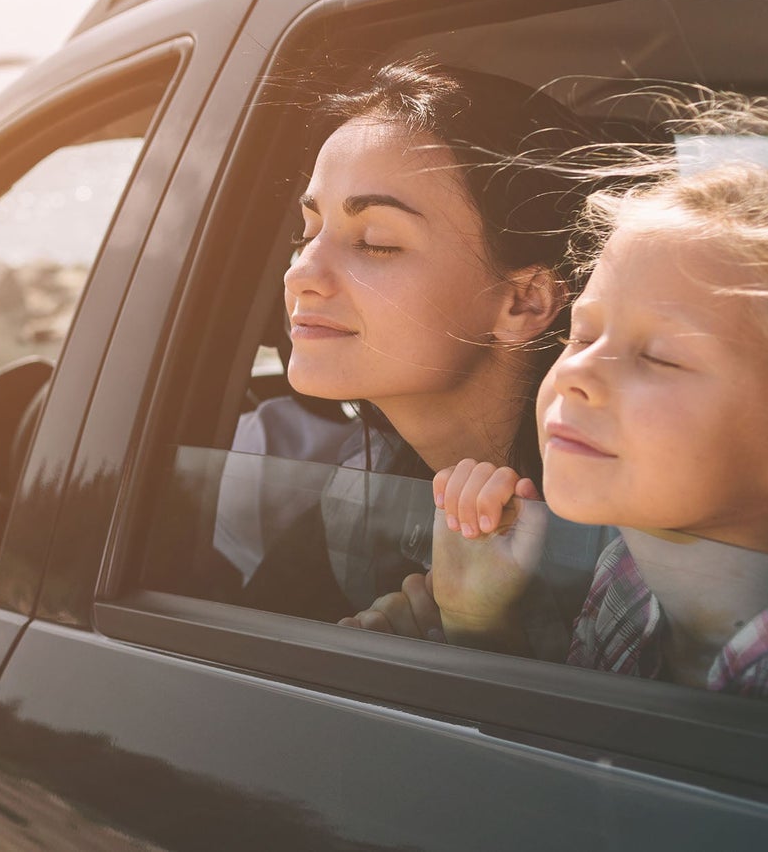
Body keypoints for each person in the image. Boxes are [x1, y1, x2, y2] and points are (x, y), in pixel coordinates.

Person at [363, 100, 768, 703]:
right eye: (582, 334)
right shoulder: (628, 579)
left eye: (659, 357)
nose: (576, 371)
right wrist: (477, 623)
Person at [214, 56, 607, 614]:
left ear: (524, 301)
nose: (300, 272)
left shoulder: (620, 555)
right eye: (309, 231)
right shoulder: (360, 496)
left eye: (376, 241)